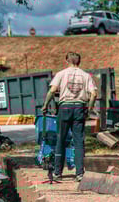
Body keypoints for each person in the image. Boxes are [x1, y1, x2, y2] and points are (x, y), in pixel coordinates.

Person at [41, 52, 98, 182]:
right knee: (78, 141)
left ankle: (57, 172)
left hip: (65, 108)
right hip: (79, 108)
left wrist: (45, 105)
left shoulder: (61, 74)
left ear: (67, 61)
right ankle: (79, 173)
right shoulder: (86, 76)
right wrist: (89, 109)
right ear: (79, 61)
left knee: (61, 139)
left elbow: (52, 90)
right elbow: (94, 94)